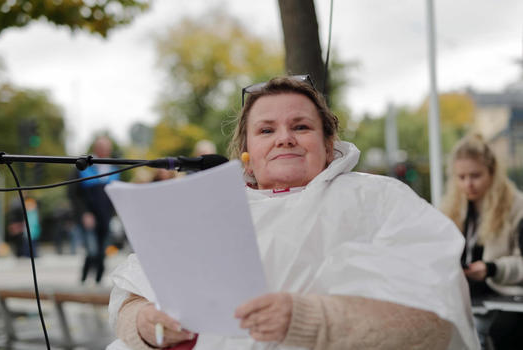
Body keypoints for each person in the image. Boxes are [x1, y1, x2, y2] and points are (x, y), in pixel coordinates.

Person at [107, 76, 479, 350]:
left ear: (329, 142)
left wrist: (306, 320)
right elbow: (133, 296)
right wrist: (144, 324)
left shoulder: (378, 199)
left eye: (300, 126)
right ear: (246, 150)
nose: (284, 138)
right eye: (266, 130)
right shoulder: (208, 208)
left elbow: (432, 324)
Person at [440, 134, 523, 349]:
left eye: (475, 176)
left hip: (507, 297)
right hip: (465, 295)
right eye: (461, 177)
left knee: (500, 332)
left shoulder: (517, 208)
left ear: (492, 173)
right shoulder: (452, 208)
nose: (468, 184)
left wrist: (491, 268)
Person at [68, 136, 120, 284]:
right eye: (101, 147)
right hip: (88, 217)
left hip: (106, 217)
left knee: (103, 252)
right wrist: (84, 213)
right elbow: (73, 194)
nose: (104, 151)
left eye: (106, 148)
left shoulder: (114, 168)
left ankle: (98, 280)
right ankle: (84, 278)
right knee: (92, 251)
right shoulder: (83, 167)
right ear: (96, 148)